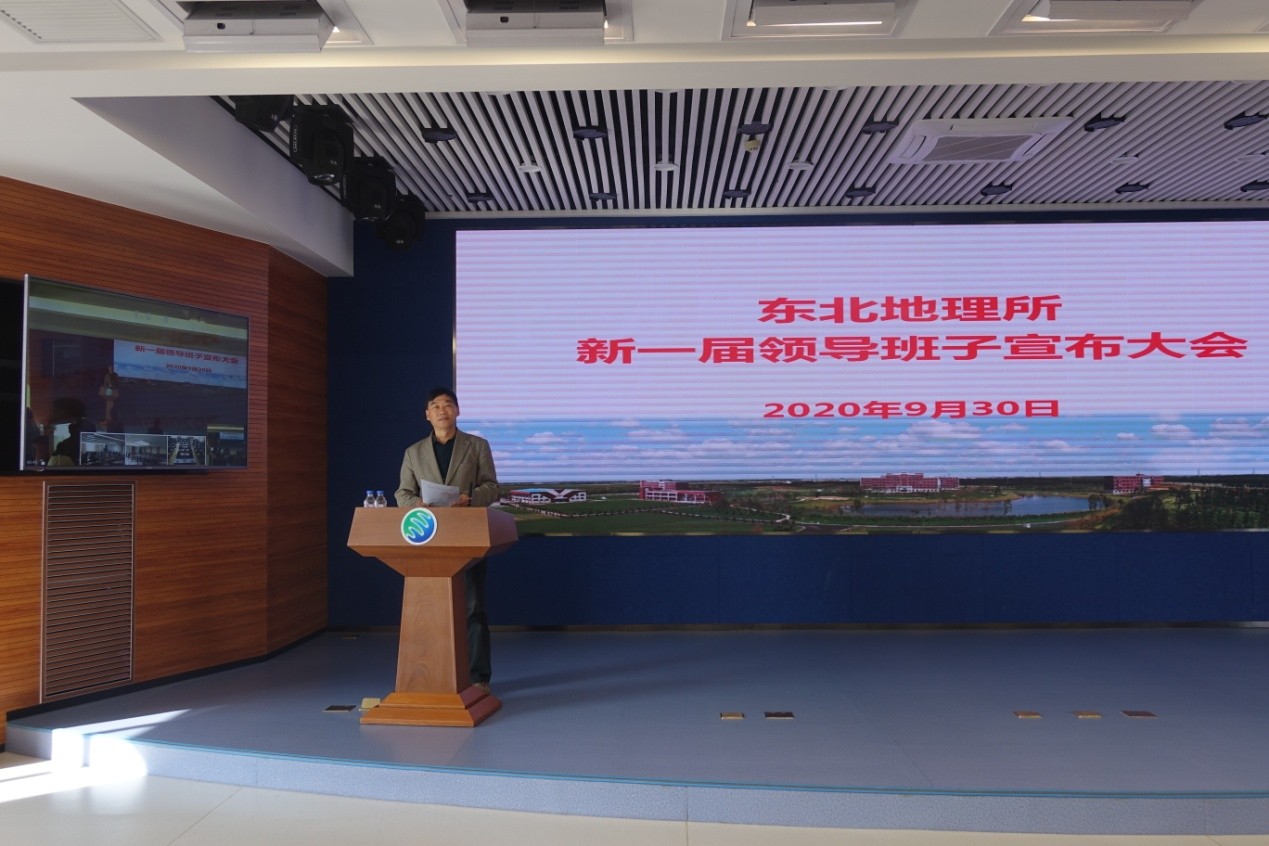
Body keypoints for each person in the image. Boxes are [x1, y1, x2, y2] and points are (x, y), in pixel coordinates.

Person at [395, 387, 500, 693]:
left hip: (467, 536)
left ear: (457, 410)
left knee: (473, 608)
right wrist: (416, 504)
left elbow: (493, 487)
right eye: (436, 406)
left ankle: (478, 678)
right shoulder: (413, 452)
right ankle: (433, 676)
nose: (442, 410)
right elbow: (402, 492)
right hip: (427, 538)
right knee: (430, 609)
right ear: (427, 415)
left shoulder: (477, 446)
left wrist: (471, 498)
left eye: (448, 405)